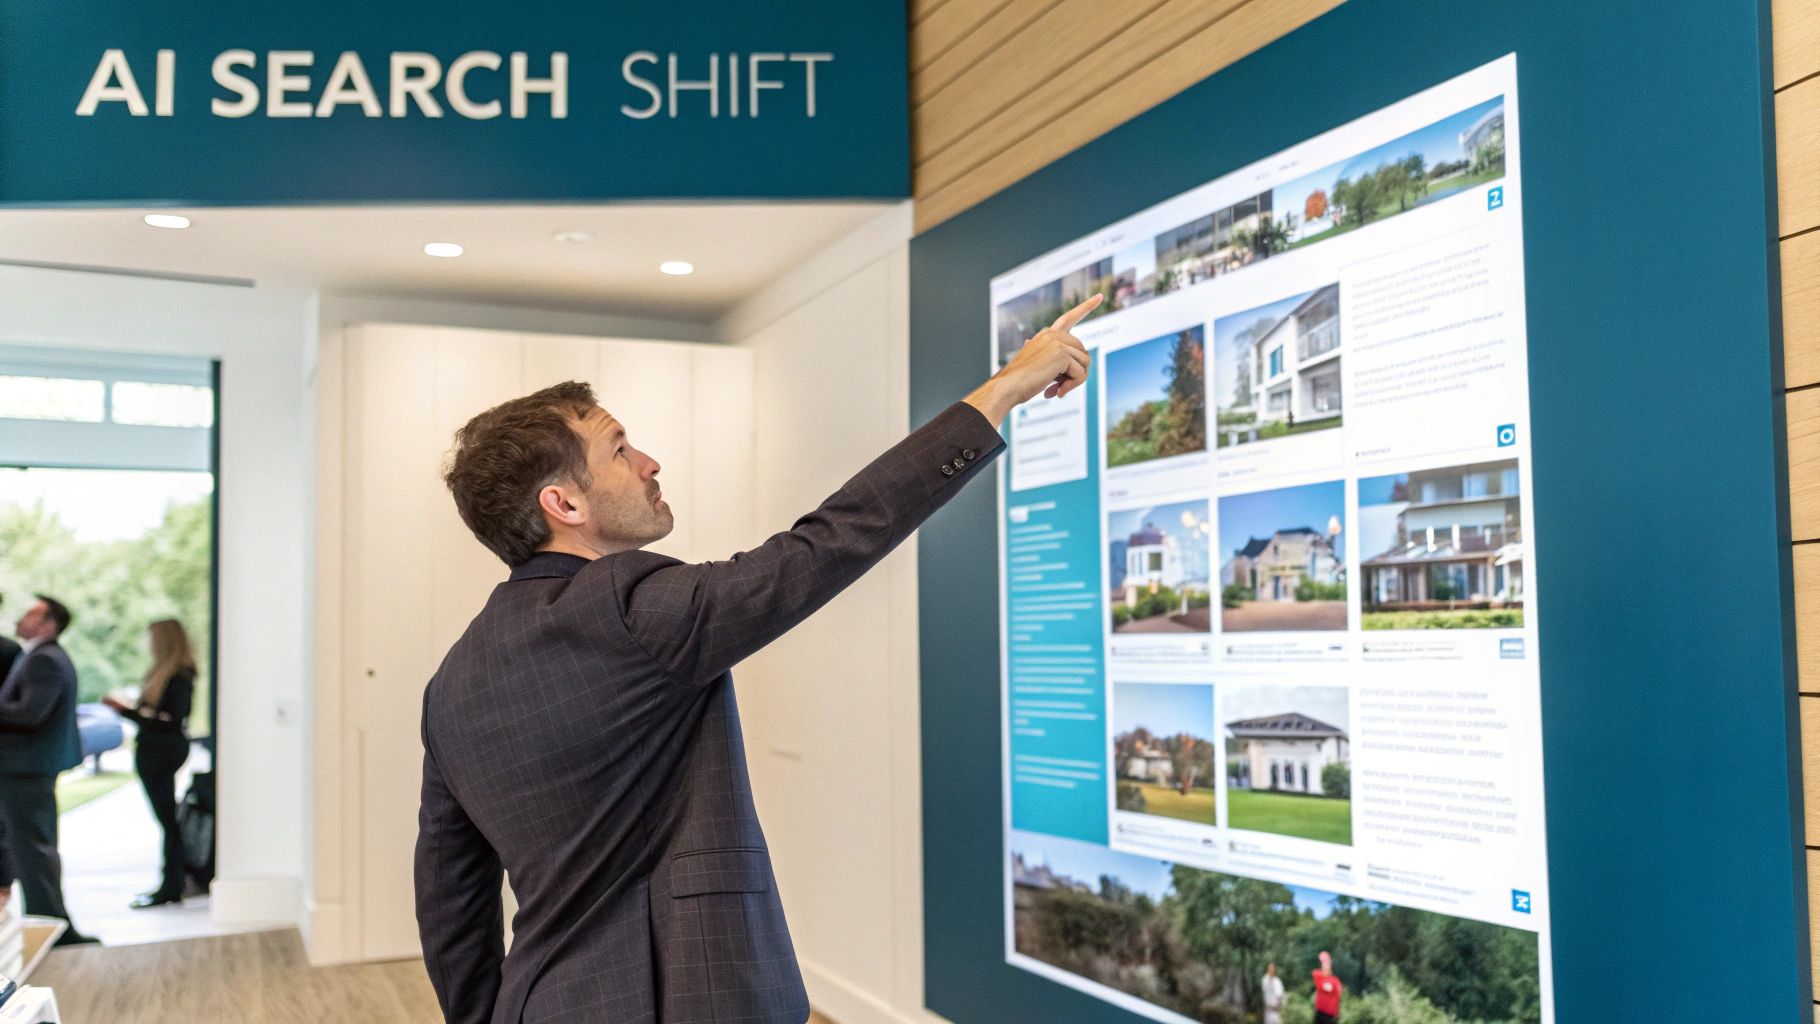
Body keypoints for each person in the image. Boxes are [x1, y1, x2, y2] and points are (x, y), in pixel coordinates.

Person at [414, 296, 1099, 1023]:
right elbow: (831, 541)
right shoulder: (627, 607)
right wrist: (1001, 392)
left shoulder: (451, 684)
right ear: (565, 504)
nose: (648, 463)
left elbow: (449, 901)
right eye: (619, 450)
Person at [0, 596, 94, 945]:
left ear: (49, 623)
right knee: (34, 848)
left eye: (31, 614)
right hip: (27, 767)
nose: (21, 619)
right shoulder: (40, 657)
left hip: (25, 768)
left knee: (33, 850)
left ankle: (52, 929)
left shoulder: (44, 660)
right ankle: (53, 925)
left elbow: (29, 714)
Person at [102, 619, 197, 909]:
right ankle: (171, 883)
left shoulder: (179, 674)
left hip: (161, 750)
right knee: (167, 820)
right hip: (157, 748)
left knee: (168, 820)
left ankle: (171, 885)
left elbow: (169, 719)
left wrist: (126, 711)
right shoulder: (162, 673)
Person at [1313, 949, 1344, 1023]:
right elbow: (1315, 974)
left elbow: (1338, 992)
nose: (1325, 967)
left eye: (1327, 964)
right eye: (1323, 964)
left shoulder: (1335, 980)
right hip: (1320, 1012)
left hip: (1330, 1015)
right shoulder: (1318, 976)